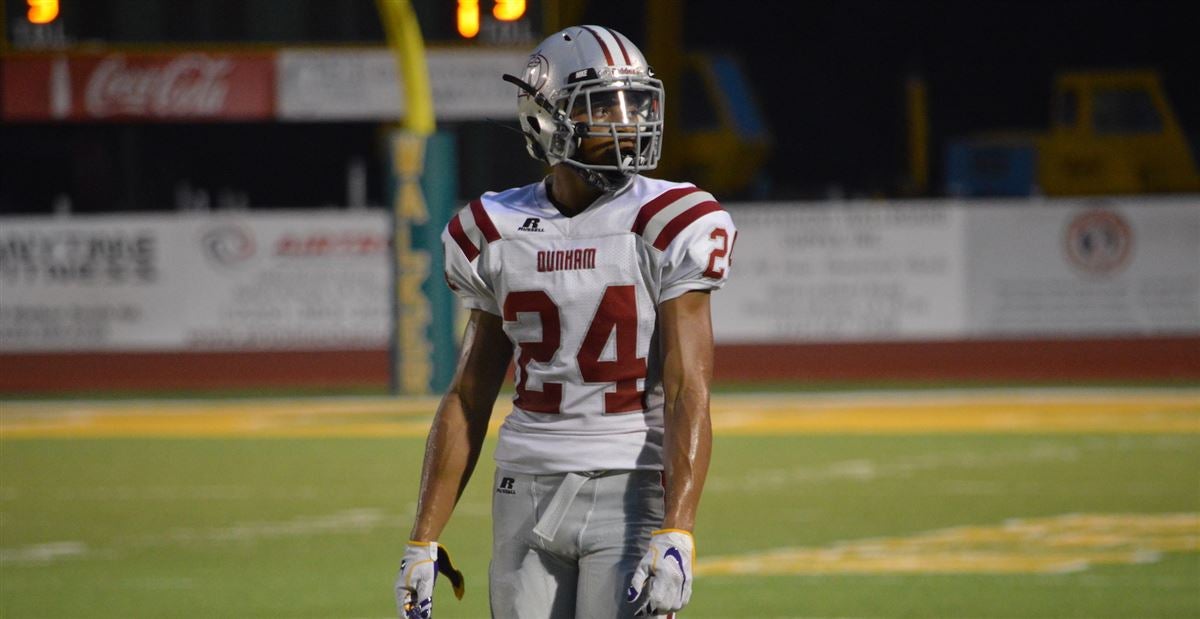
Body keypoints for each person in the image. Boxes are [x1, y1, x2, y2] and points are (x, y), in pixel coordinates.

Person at [395, 25, 736, 619]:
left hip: (630, 486)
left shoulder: (670, 217)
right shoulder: (492, 228)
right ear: (545, 118)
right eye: (602, 106)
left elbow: (689, 389)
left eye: (634, 104)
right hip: (522, 486)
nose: (626, 122)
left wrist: (679, 530)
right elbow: (469, 395)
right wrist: (422, 538)